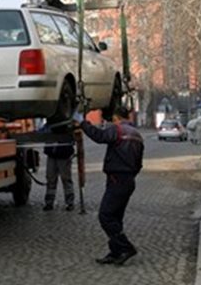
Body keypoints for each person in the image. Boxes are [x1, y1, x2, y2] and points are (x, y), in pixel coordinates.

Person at [75, 106, 144, 266]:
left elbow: (99, 136)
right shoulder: (137, 135)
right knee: (116, 218)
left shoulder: (118, 130)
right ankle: (115, 252)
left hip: (116, 179)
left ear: (116, 117)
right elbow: (139, 163)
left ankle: (126, 247)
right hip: (128, 181)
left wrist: (82, 123)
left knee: (105, 216)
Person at [42, 123, 75, 211]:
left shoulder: (66, 123)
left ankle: (69, 202)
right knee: (50, 178)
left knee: (66, 178)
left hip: (63, 153)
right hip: (52, 153)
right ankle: (49, 202)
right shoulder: (50, 123)